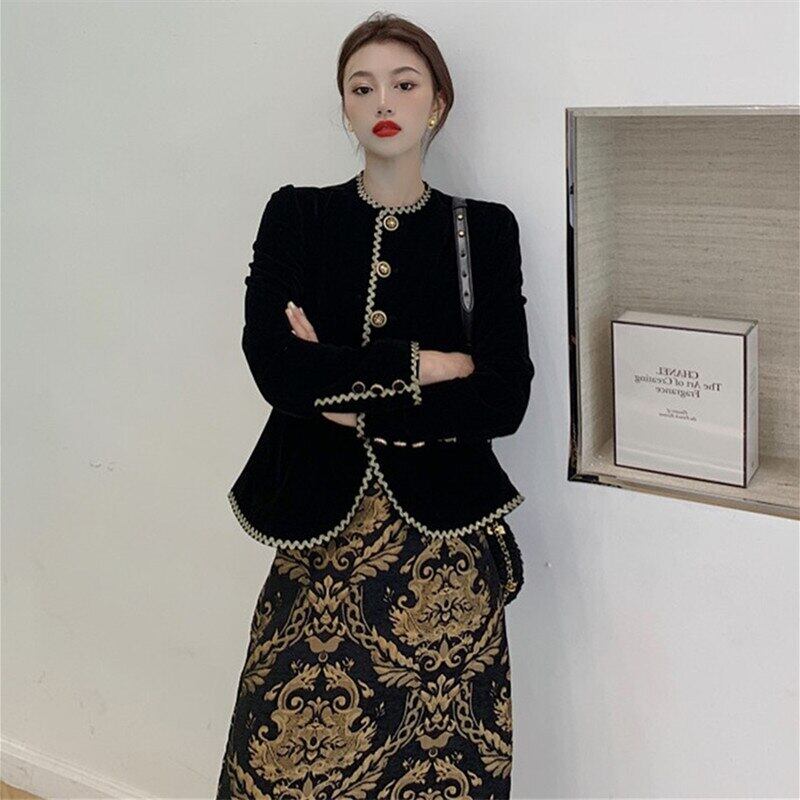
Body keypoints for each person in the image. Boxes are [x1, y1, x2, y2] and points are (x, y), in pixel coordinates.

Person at [216, 12, 535, 799]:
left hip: (444, 555)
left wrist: (348, 400)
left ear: (437, 104)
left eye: (403, 84)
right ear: (345, 107)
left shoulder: (484, 232)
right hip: (318, 534)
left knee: (439, 769)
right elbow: (275, 368)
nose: (382, 101)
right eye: (361, 88)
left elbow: (503, 398)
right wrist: (428, 366)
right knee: (284, 761)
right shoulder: (298, 215)